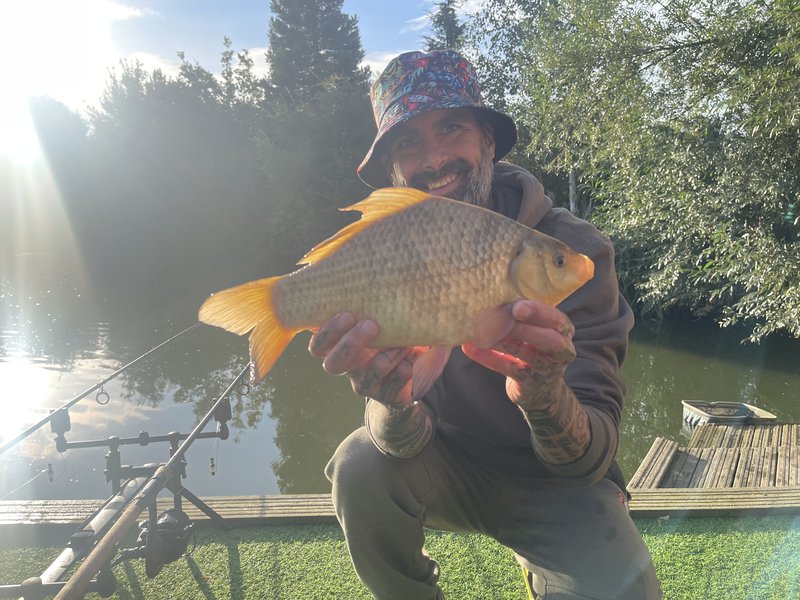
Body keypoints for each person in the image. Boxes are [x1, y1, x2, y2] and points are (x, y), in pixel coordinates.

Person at [309, 49, 662, 600]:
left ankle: (548, 562)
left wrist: (543, 392)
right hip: (446, 462)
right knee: (360, 465)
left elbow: (594, 454)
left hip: (558, 484)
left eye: (451, 128)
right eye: (409, 142)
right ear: (393, 171)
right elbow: (398, 446)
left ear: (488, 143)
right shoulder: (387, 250)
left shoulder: (571, 251)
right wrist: (394, 399)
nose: (434, 158)